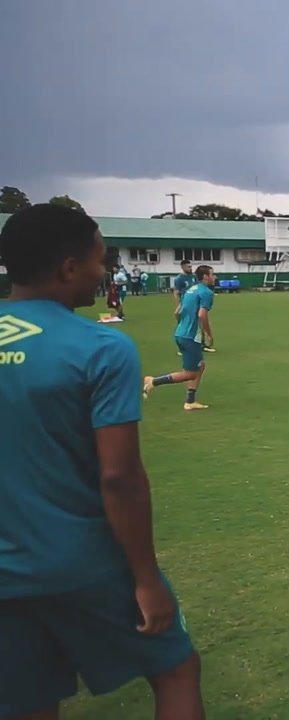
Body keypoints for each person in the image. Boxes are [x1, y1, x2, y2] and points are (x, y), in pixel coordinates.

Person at [0, 204, 206, 720]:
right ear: (68, 267)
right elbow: (120, 477)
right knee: (176, 670)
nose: (106, 272)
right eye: (101, 261)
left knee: (29, 701)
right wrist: (146, 577)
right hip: (82, 561)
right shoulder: (100, 346)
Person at [144, 265, 217, 411]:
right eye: (212, 274)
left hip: (180, 334)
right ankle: (154, 382)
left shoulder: (190, 290)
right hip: (190, 338)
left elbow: (177, 312)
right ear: (205, 277)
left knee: (199, 366)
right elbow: (202, 315)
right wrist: (209, 334)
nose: (214, 277)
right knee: (190, 373)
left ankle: (190, 400)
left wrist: (184, 325)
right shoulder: (206, 293)